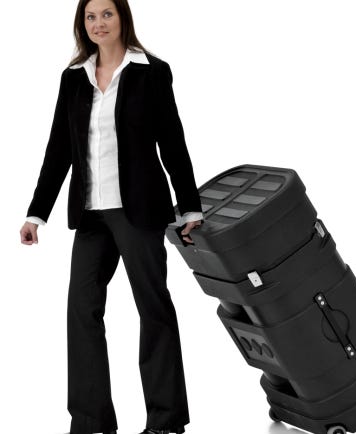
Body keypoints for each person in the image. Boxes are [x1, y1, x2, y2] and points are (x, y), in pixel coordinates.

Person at [19, 0, 204, 433]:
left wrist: (190, 206)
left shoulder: (151, 72)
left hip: (139, 211)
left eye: (106, 14)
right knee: (82, 310)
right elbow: (58, 149)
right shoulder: (73, 77)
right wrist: (36, 213)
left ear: (123, 18)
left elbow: (172, 142)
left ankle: (166, 421)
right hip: (91, 214)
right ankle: (91, 421)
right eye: (90, 16)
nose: (98, 23)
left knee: (153, 309)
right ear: (81, 24)